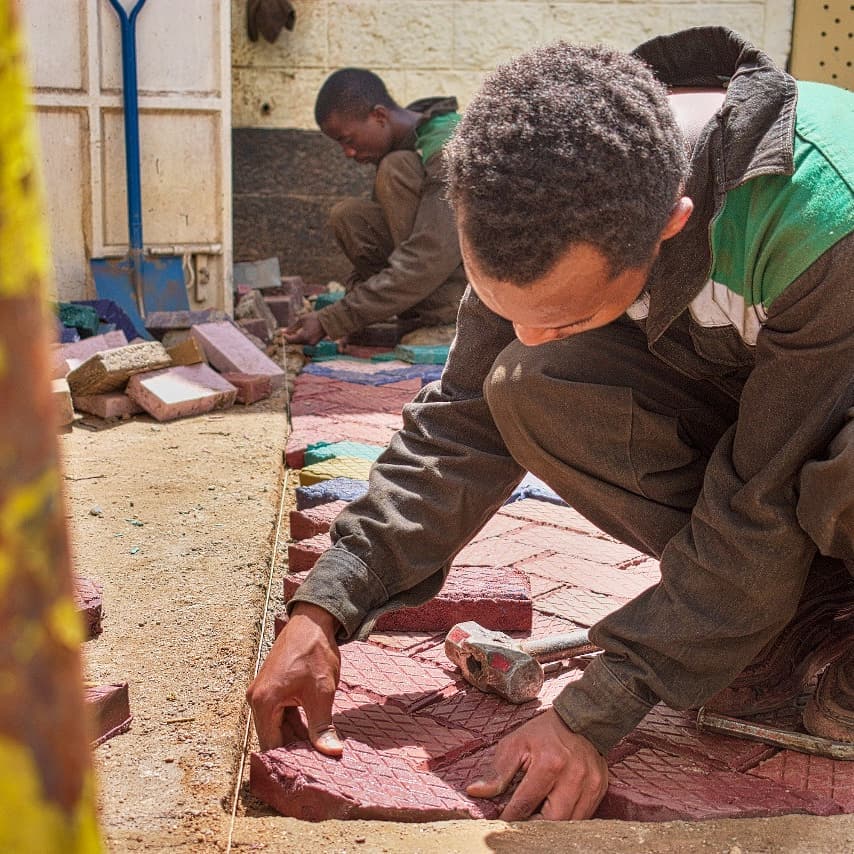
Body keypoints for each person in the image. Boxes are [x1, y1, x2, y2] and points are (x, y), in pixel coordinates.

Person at [248, 28, 854, 820]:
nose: (530, 331)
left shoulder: (812, 216)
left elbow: (760, 497)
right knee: (526, 385)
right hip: (780, 411)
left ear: (669, 225)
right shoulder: (537, 187)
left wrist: (593, 714)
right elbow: (459, 423)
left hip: (829, 410)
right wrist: (326, 606)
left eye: (567, 315)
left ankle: (775, 607)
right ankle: (797, 616)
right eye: (505, 308)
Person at [284, 68, 467, 346]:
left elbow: (433, 252)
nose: (348, 153)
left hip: (493, 283)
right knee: (350, 216)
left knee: (397, 168)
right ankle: (418, 315)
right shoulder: (408, 144)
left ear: (379, 116)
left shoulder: (447, 146)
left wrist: (334, 319)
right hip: (440, 265)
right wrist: (353, 315)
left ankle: (451, 321)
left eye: (347, 140)